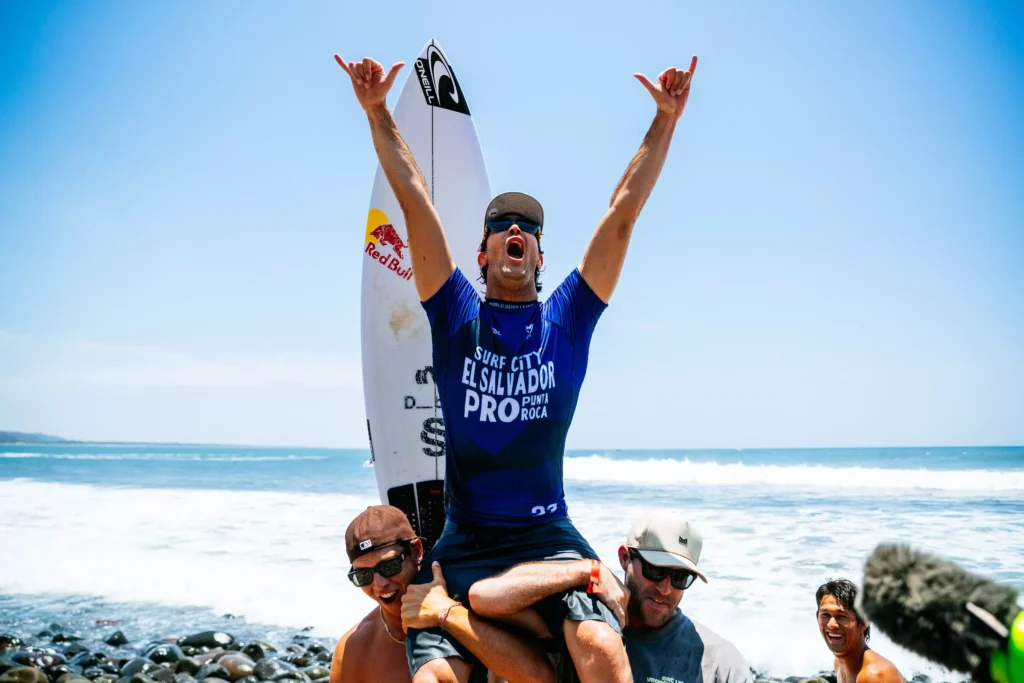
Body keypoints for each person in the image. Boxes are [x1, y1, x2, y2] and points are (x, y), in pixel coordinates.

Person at [335, 47, 698, 683]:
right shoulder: (454, 315)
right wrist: (376, 113)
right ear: (480, 252)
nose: (514, 230)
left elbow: (622, 213)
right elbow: (415, 202)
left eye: (527, 228)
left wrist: (664, 121)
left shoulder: (568, 320)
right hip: (465, 539)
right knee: (433, 680)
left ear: (537, 255)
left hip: (549, 538)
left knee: (601, 649)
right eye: (501, 224)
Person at [422, 510, 753, 683]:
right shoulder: (584, 623)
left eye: (680, 578)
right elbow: (485, 597)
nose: (665, 588)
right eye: (655, 571)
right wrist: (585, 570)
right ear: (625, 558)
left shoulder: (719, 662)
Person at [329, 505, 556, 683]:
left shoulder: (480, 604)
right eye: (364, 576)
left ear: (416, 551)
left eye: (389, 566)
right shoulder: (354, 649)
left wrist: (448, 615)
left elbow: (542, 677)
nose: (379, 584)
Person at [815, 579, 905, 683]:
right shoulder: (839, 663)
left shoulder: (875, 675)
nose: (831, 624)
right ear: (817, 616)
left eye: (842, 616)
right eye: (825, 615)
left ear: (863, 622)